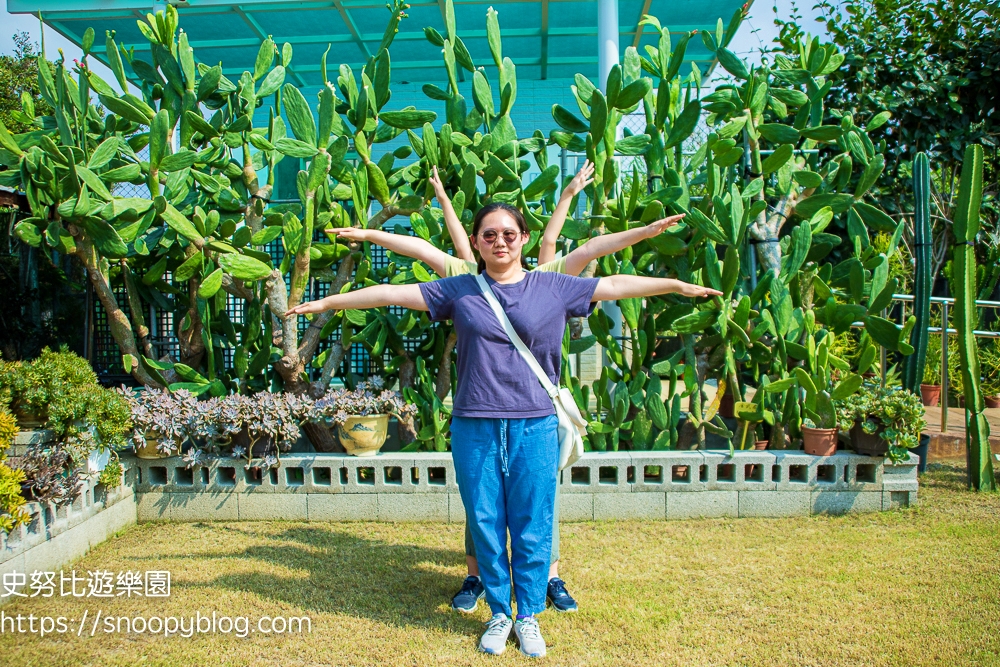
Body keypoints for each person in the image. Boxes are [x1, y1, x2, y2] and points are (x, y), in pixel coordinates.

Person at [290, 202, 719, 657]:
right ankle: (499, 612)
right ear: (475, 242)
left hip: (534, 423)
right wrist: (329, 302)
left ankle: (528, 614)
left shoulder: (552, 286)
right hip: (474, 423)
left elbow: (613, 284)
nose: (500, 242)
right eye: (489, 235)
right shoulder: (461, 290)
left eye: (509, 234)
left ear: (524, 240)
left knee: (534, 521)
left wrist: (673, 284)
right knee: (486, 521)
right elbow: (391, 293)